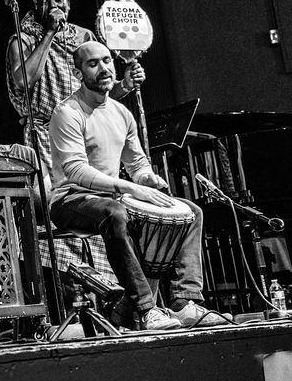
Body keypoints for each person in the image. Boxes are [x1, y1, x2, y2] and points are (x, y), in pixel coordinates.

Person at [49, 42, 224, 330]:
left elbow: (137, 165)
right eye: (93, 63)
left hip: (112, 197)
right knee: (116, 214)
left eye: (107, 61)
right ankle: (145, 310)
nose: (104, 68)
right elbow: (76, 171)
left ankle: (183, 302)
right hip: (71, 200)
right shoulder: (67, 112)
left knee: (192, 212)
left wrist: (147, 179)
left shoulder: (121, 113)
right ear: (77, 71)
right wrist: (132, 188)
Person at [5, 0, 145, 282]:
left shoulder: (83, 36)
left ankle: (108, 287)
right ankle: (70, 286)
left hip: (87, 132)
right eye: (47, 1)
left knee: (101, 204)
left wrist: (123, 86)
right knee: (56, 205)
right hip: (45, 136)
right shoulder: (24, 38)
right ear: (36, 8)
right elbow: (23, 82)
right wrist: (50, 34)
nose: (55, 5)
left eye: (60, 0)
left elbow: (97, 90)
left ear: (69, 4)